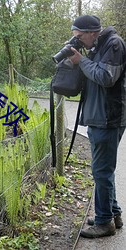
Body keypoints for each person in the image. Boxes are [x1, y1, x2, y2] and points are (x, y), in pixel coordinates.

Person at [68, 15, 126, 238]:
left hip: (108, 118)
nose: (79, 41)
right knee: (103, 171)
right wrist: (78, 60)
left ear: (92, 32)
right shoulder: (97, 46)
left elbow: (105, 77)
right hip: (98, 117)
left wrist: (81, 61)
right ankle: (113, 214)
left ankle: (104, 223)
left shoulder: (114, 44)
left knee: (101, 171)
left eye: (80, 37)